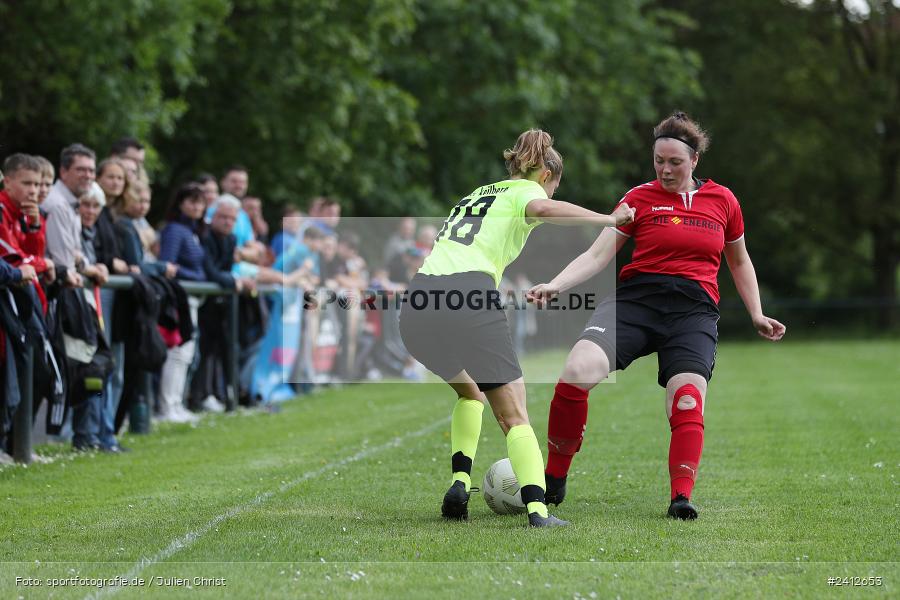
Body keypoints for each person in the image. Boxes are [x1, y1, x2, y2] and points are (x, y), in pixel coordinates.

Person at [527, 112, 786, 520]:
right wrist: (556, 284)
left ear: (694, 161)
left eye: (675, 163)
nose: (665, 170)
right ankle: (554, 478)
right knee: (577, 369)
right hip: (636, 302)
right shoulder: (638, 199)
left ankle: (680, 497)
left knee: (686, 399)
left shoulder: (724, 201)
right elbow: (598, 254)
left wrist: (756, 312)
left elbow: (739, 261)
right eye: (659, 161)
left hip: (693, 310)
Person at [398, 129, 634, 528]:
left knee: (471, 395)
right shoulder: (526, 192)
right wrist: (608, 219)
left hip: (418, 303)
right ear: (546, 176)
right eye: (553, 189)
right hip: (468, 295)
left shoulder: (479, 193)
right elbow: (542, 210)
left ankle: (459, 484)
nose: (550, 197)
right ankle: (538, 511)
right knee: (514, 414)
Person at [156, 183, 209, 424]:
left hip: (192, 297)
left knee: (185, 354)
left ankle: (176, 403)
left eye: (200, 202)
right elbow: (169, 265)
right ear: (180, 203)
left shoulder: (194, 232)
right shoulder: (175, 230)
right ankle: (168, 406)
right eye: (192, 201)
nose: (197, 206)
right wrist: (198, 277)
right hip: (180, 297)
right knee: (178, 352)